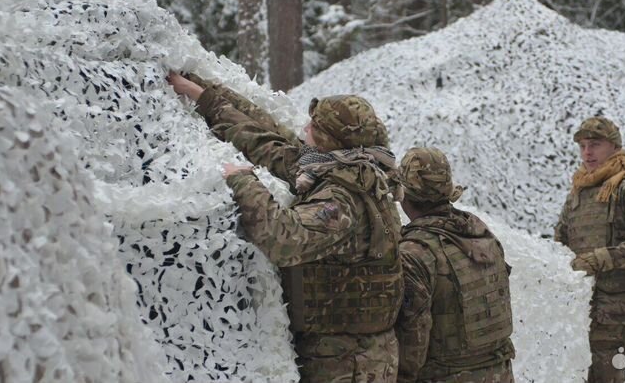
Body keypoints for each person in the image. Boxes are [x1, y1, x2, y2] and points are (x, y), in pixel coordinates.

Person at [167, 72, 404, 382]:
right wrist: (204, 95)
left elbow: (283, 239)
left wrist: (242, 180)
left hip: (348, 363)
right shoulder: (351, 167)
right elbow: (268, 141)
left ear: (331, 141)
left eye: (314, 127)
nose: (305, 128)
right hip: (349, 352)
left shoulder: (341, 200)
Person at [554, 117, 625, 383]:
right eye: (582, 146)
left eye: (594, 145)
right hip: (578, 311)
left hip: (616, 314)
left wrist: (601, 258)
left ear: (614, 147)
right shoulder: (579, 192)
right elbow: (560, 242)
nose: (587, 152)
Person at [395, 147, 515, 383]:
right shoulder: (480, 234)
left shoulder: (415, 254)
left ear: (405, 196)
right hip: (500, 372)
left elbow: (413, 341)